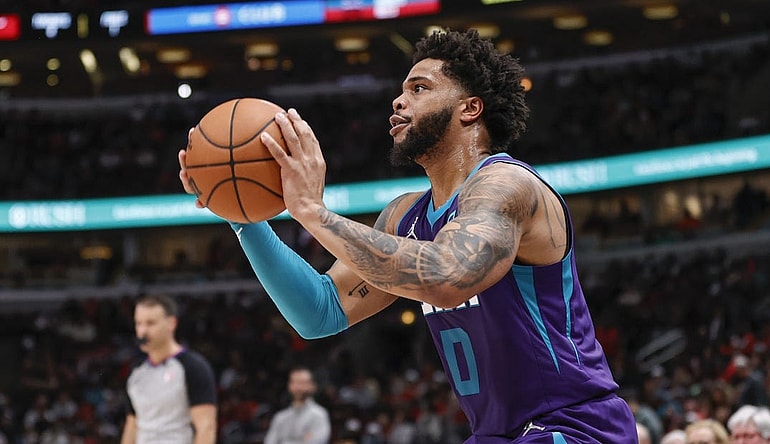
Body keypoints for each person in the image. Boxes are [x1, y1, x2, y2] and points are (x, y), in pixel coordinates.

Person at [178, 28, 637, 443]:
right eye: (400, 91)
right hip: (498, 436)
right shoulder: (403, 216)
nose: (398, 102)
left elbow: (444, 276)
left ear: (469, 108)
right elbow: (319, 312)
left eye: (419, 89)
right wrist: (243, 217)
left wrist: (312, 212)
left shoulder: (507, 186)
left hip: (573, 427)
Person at [121, 294, 218, 444]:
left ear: (171, 323)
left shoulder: (193, 367)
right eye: (138, 323)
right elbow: (132, 425)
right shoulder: (136, 372)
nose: (142, 331)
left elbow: (206, 427)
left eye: (150, 323)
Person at [264, 366, 331, 444]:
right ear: (289, 385)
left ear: (312, 386)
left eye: (302, 383)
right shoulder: (280, 417)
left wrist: (284, 442)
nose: (298, 387)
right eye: (294, 382)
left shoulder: (319, 414)